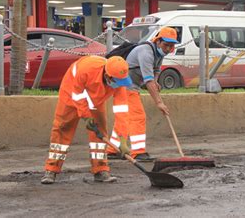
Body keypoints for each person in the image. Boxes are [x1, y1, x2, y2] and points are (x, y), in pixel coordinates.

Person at [41, 56, 132, 184]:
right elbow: (77, 95)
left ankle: (100, 170)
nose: (119, 85)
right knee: (63, 128)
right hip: (71, 92)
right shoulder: (86, 70)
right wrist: (86, 116)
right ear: (107, 76)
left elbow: (122, 111)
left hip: (96, 99)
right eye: (117, 81)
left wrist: (123, 140)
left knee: (100, 132)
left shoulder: (119, 82)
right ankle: (51, 169)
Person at [106, 27, 178, 161]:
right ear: (158, 41)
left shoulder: (159, 54)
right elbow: (148, 81)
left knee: (124, 119)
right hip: (126, 87)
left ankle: (112, 149)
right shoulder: (146, 52)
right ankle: (138, 152)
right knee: (138, 117)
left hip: (129, 87)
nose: (168, 49)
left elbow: (156, 71)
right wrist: (159, 103)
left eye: (171, 46)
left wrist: (156, 82)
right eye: (166, 45)